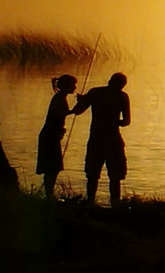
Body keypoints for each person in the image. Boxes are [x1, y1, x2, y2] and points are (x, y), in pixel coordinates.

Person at [72, 72, 131, 205]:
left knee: (92, 175)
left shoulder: (96, 93)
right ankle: (114, 204)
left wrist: (81, 101)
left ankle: (90, 202)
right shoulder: (122, 96)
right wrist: (114, 122)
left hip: (96, 139)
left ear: (110, 80)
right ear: (122, 85)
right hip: (114, 140)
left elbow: (78, 111)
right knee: (115, 176)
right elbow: (126, 121)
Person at [35, 73, 78, 197]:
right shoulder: (59, 99)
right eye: (73, 85)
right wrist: (76, 108)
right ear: (66, 86)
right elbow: (60, 115)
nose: (75, 88)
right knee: (52, 168)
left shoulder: (60, 98)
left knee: (52, 168)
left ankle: (49, 194)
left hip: (51, 135)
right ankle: (49, 195)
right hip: (50, 136)